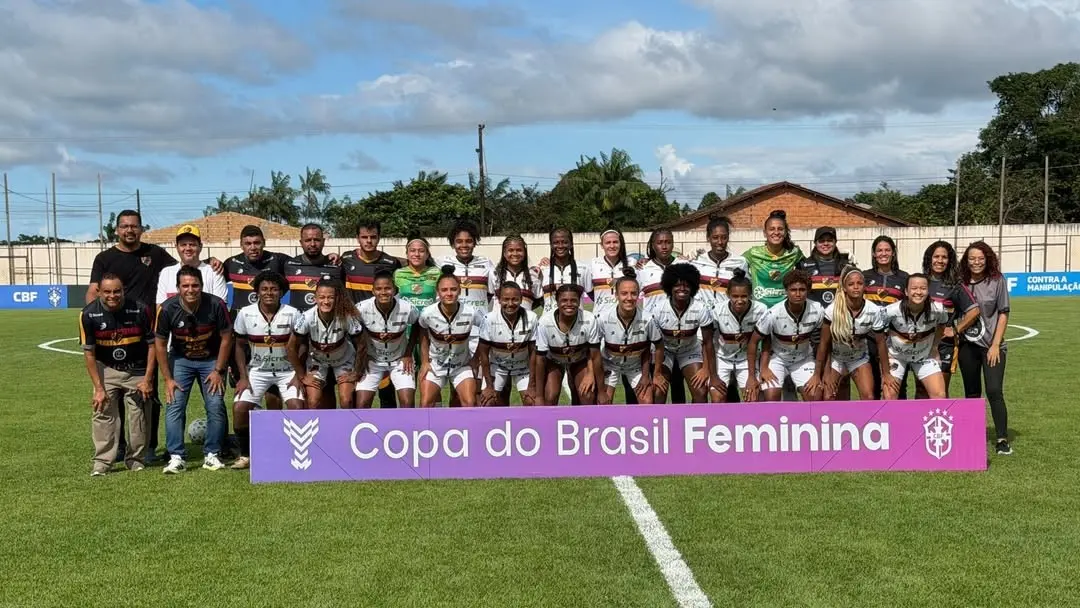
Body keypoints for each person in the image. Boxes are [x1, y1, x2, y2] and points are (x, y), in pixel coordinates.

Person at [154, 266, 233, 474]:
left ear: (202, 286)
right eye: (185, 285)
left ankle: (213, 454)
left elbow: (226, 338)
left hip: (211, 360)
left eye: (195, 285)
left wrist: (218, 370)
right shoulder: (167, 308)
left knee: (215, 404)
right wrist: (167, 379)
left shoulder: (216, 304)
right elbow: (160, 344)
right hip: (181, 360)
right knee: (174, 404)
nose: (191, 290)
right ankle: (176, 456)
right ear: (178, 288)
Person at [79, 273, 156, 476]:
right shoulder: (88, 314)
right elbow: (89, 353)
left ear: (123, 291)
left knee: (139, 414)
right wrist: (98, 388)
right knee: (102, 411)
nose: (112, 295)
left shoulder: (140, 309)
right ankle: (103, 462)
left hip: (136, 369)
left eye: (117, 291)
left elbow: (152, 346)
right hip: (107, 368)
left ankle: (136, 459)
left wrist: (148, 379)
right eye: (107, 291)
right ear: (99, 292)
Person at [230, 270, 304, 469]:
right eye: (264, 289)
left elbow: (303, 345)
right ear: (257, 292)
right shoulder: (245, 313)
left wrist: (299, 374)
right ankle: (245, 454)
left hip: (287, 371)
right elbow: (238, 345)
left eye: (274, 289)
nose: (269, 293)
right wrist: (243, 377)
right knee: (239, 408)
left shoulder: (293, 313)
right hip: (257, 372)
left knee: (297, 407)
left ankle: (292, 451)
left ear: (281, 292)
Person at [223, 225, 291, 411]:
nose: (253, 247)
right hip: (243, 336)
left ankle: (272, 430)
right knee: (244, 388)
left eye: (256, 243)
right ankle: (248, 435)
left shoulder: (278, 261)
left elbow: (306, 264)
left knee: (272, 392)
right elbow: (201, 267)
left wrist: (332, 257)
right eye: (248, 243)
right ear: (241, 245)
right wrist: (211, 259)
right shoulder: (230, 263)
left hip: (268, 334)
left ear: (263, 243)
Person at [957, 241, 1013, 455]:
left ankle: (1002, 439)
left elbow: (1003, 313)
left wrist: (996, 345)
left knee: (994, 390)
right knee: (972, 392)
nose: (976, 262)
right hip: (966, 347)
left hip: (991, 346)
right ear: (966, 260)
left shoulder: (997, 280)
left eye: (980, 258)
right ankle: (973, 435)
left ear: (988, 259)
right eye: (972, 258)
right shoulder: (960, 282)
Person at [341, 219, 403, 409]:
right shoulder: (346, 260)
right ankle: (352, 428)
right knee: (354, 385)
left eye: (373, 237)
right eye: (364, 237)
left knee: (386, 388)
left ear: (379, 238)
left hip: (381, 333)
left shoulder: (390, 263)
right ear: (357, 238)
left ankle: (389, 430)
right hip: (354, 332)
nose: (369, 241)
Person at [284, 224, 346, 409]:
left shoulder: (335, 267)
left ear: (323, 241)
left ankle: (329, 430)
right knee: (303, 387)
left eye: (317, 239)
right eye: (308, 240)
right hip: (300, 338)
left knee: (326, 389)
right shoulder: (288, 265)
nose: (313, 243)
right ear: (301, 242)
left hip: (328, 338)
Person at [746, 270, 825, 402]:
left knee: (814, 395)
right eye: (793, 290)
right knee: (771, 396)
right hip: (778, 359)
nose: (798, 294)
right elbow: (753, 342)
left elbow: (823, 343)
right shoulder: (773, 313)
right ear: (786, 291)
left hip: (804, 358)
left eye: (802, 289)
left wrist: (817, 374)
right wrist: (759, 371)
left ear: (808, 290)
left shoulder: (817, 310)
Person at [286, 278, 364, 410]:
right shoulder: (306, 317)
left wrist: (357, 371)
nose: (326, 301)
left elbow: (362, 345)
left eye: (330, 297)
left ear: (337, 298)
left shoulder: (347, 316)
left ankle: (347, 429)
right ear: (315, 298)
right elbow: (290, 347)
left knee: (346, 400)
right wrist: (302, 375)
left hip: (343, 360)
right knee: (313, 401)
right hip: (317, 361)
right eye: (321, 297)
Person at [812, 267, 888, 400]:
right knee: (828, 397)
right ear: (844, 288)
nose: (856, 287)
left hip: (859, 358)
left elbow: (881, 343)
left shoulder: (873, 310)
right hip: (836, 359)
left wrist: (886, 374)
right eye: (851, 284)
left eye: (859, 283)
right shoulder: (833, 310)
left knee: (869, 397)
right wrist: (820, 373)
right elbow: (824, 343)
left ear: (865, 286)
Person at [417, 266, 485, 407]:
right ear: (438, 292)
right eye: (444, 290)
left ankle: (465, 429)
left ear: (459, 291)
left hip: (461, 365)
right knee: (425, 403)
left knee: (470, 402)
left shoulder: (471, 312)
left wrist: (475, 358)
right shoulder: (428, 313)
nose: (449, 294)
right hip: (436, 365)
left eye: (453, 289)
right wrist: (424, 361)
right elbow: (422, 332)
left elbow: (486, 331)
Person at [596, 269, 664, 405]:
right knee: (603, 403)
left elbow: (658, 346)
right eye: (624, 293)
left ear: (639, 295)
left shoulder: (647, 318)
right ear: (616, 295)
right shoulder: (602, 318)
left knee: (647, 402)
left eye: (633, 293)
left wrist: (652, 374)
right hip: (610, 364)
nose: (629, 298)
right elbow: (593, 352)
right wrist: (598, 384)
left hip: (635, 366)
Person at [355, 270, 420, 408]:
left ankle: (405, 429)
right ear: (373, 291)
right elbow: (353, 332)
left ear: (394, 290)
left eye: (387, 288)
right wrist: (362, 356)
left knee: (407, 402)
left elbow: (417, 325)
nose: (383, 292)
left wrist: (408, 353)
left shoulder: (407, 308)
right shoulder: (361, 309)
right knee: (361, 404)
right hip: (372, 361)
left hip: (400, 360)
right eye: (378, 289)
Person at [922, 241, 979, 396]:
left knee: (940, 392)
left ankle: (939, 420)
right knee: (922, 391)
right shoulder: (921, 281)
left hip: (943, 346)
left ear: (950, 260)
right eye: (936, 256)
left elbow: (974, 311)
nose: (940, 261)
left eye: (944, 257)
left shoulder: (955, 285)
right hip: (920, 344)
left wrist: (955, 329)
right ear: (929, 258)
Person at [880, 274, 949, 400]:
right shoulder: (890, 311)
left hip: (924, 356)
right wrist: (885, 363)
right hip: (896, 356)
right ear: (906, 291)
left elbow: (942, 325)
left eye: (923, 288)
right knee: (889, 396)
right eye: (914, 288)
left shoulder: (939, 309)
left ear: (928, 291)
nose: (918, 292)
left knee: (940, 396)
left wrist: (934, 347)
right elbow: (879, 336)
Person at [653, 263, 714, 404]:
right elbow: (654, 344)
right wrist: (656, 373)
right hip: (665, 351)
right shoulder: (658, 309)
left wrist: (706, 368)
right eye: (677, 285)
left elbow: (708, 342)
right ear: (669, 287)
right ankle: (659, 424)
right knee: (658, 390)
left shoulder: (700, 308)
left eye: (686, 285)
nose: (682, 289)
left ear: (693, 287)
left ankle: (696, 424)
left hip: (690, 350)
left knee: (701, 391)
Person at [533, 284, 602, 405]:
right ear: (557, 301)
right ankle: (550, 423)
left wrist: (597, 384)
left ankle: (584, 422)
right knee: (550, 395)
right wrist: (539, 396)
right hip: (553, 361)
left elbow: (595, 355)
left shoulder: (589, 319)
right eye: (564, 300)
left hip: (579, 360)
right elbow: (540, 360)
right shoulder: (544, 322)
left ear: (579, 301)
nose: (569, 304)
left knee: (587, 394)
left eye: (573, 300)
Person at [707, 269, 768, 402]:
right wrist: (712, 375)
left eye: (744, 296)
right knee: (717, 398)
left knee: (752, 398)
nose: (739, 301)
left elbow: (767, 341)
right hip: (722, 359)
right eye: (735, 296)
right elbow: (708, 343)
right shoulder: (717, 311)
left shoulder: (761, 309)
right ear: (728, 294)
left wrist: (753, 375)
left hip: (747, 360)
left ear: (750, 295)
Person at [477, 281, 539, 406]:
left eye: (515, 299)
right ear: (499, 300)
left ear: (521, 300)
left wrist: (532, 385)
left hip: (523, 368)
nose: (510, 304)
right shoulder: (489, 319)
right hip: (498, 368)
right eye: (506, 299)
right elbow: (483, 354)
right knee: (487, 402)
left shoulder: (531, 317)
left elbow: (534, 353)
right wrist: (489, 386)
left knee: (533, 401)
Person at [863, 235, 910, 399]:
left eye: (887, 250)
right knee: (873, 384)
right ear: (874, 254)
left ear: (893, 253)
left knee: (898, 384)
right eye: (879, 250)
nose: (883, 253)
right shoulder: (864, 276)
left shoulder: (904, 278)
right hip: (869, 338)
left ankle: (900, 422)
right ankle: (876, 424)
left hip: (895, 339)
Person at [742, 210, 804, 308]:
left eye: (780, 229)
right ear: (765, 232)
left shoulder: (794, 253)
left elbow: (806, 273)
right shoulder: (753, 253)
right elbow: (735, 266)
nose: (776, 232)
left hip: (784, 310)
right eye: (772, 229)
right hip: (759, 309)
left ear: (785, 232)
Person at [156, 225, 229, 304]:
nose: (188, 248)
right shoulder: (166, 273)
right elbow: (161, 308)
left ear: (200, 247)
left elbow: (220, 307)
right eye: (183, 245)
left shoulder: (214, 271)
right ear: (176, 247)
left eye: (192, 244)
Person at [691, 215, 748, 308]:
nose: (720, 242)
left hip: (727, 317)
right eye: (715, 237)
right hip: (702, 318)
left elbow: (746, 291)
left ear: (728, 238)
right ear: (708, 238)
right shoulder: (696, 261)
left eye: (724, 237)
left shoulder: (740, 262)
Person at [538, 227, 589, 315]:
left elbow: (594, 294)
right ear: (551, 245)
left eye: (564, 242)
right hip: (549, 324)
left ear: (571, 244)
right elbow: (537, 298)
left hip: (577, 323)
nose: (560, 246)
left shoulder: (584, 268)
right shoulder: (543, 269)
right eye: (556, 243)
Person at [587, 228, 634, 315]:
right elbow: (589, 291)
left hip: (626, 317)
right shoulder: (593, 264)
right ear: (602, 245)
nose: (612, 246)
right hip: (600, 318)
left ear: (620, 244)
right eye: (608, 242)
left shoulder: (632, 263)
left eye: (615, 242)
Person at [490, 235, 542, 311]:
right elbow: (487, 297)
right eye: (510, 250)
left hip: (525, 321)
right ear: (504, 253)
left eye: (519, 250)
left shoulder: (533, 275)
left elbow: (538, 300)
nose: (515, 254)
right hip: (498, 322)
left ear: (524, 253)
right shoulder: (494, 274)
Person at [393, 236, 440, 310]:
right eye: (412, 250)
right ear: (407, 254)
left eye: (421, 251)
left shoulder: (437, 273)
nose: (417, 254)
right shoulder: (398, 274)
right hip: (406, 320)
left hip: (429, 319)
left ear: (427, 254)